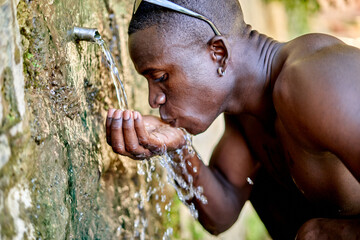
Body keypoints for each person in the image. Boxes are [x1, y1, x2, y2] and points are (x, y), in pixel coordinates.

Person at [105, 0, 360, 239]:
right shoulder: (247, 116)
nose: (154, 100)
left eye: (160, 77)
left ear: (218, 52)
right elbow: (221, 213)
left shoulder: (316, 81)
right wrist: (177, 148)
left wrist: (335, 232)